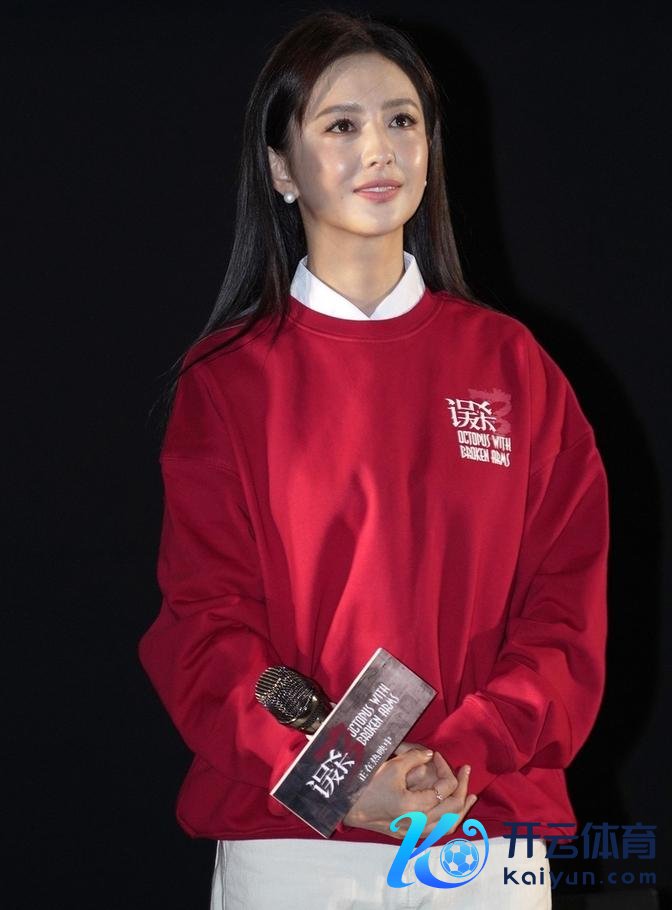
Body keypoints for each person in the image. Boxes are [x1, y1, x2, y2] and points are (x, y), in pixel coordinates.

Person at [137, 9, 609, 909]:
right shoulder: (229, 382)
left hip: (481, 827)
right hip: (294, 840)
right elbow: (206, 626)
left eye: (401, 120)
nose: (379, 149)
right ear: (282, 167)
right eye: (340, 125)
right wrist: (341, 777)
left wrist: (458, 757)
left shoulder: (514, 368)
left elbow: (567, 615)